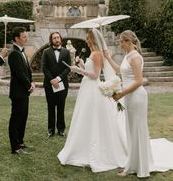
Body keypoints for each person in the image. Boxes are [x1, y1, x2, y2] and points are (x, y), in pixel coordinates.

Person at [104, 30, 173, 178]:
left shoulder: (135, 57)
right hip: (130, 96)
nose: (119, 43)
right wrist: (109, 58)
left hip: (136, 96)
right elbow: (120, 71)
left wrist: (122, 93)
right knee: (131, 130)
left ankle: (141, 167)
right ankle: (134, 164)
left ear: (128, 41)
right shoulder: (128, 55)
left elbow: (139, 81)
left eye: (121, 41)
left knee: (137, 130)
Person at [57, 28, 127, 172]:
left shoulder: (96, 54)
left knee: (91, 117)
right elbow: (91, 72)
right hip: (87, 88)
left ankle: (94, 150)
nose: (87, 41)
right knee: (86, 117)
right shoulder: (94, 54)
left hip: (92, 89)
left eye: (88, 38)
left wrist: (77, 69)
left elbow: (95, 75)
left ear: (93, 40)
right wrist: (82, 64)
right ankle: (83, 145)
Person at [8, 26, 35, 154]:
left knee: (23, 117)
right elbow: (19, 73)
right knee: (16, 119)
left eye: (26, 36)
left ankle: (20, 141)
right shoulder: (13, 53)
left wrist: (32, 82)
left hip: (24, 91)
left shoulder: (22, 51)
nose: (26, 39)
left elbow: (27, 70)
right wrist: (29, 85)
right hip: (18, 92)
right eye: (24, 37)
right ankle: (15, 147)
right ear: (16, 38)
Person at [42, 31, 71, 137]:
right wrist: (51, 80)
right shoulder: (46, 52)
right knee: (50, 107)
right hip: (49, 85)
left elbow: (68, 68)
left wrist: (58, 79)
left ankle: (61, 129)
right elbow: (44, 68)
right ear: (51, 40)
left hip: (62, 84)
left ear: (60, 39)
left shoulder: (66, 52)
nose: (56, 39)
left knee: (61, 107)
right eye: (54, 38)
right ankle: (50, 130)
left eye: (58, 37)